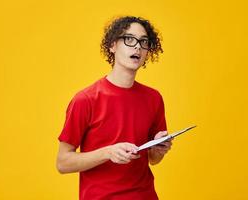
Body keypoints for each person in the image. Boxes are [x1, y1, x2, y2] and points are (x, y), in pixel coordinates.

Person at [56, 16, 172, 200]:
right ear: (112, 46)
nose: (137, 47)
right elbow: (63, 163)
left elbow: (153, 160)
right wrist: (108, 152)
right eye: (129, 39)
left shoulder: (154, 98)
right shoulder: (85, 99)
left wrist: (158, 150)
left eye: (143, 41)